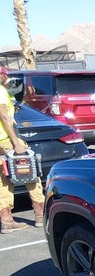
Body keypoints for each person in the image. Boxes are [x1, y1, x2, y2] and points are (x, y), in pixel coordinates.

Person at [0, 65, 45, 233]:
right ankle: (40, 214)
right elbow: (3, 116)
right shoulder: (0, 90)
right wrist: (16, 142)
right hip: (7, 140)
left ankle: (6, 220)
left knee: (4, 180)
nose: (6, 79)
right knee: (29, 171)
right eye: (4, 76)